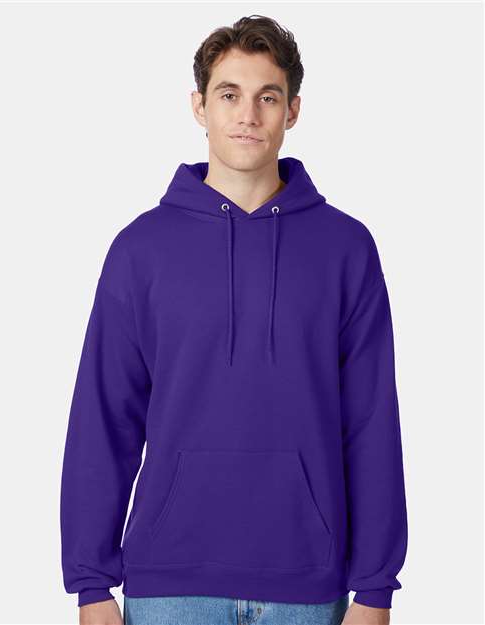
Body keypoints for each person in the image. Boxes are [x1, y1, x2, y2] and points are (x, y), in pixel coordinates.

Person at [60, 14, 408, 625]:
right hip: (169, 586)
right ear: (199, 106)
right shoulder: (140, 249)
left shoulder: (346, 248)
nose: (248, 114)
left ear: (292, 111)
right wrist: (90, 585)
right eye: (229, 95)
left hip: (309, 587)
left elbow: (371, 421)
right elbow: (104, 418)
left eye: (267, 97)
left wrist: (376, 588)